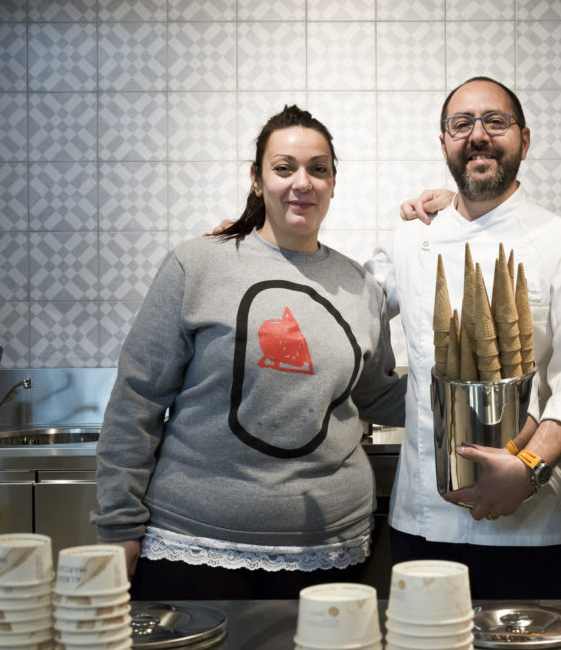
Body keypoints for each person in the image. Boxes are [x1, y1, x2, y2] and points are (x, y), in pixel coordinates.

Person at [92, 105, 406, 600]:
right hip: (193, 548)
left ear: (333, 182)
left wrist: (489, 397)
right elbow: (137, 400)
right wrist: (118, 525)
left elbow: (379, 396)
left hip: (333, 554)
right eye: (284, 168)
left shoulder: (360, 287)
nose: (302, 182)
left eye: (318, 169)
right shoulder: (196, 265)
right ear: (257, 179)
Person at [368, 76, 561, 599]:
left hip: (531, 521)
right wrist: (264, 245)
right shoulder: (413, 235)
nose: (478, 135)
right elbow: (344, 303)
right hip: (423, 521)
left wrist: (528, 468)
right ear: (444, 142)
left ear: (524, 138)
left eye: (495, 122)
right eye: (462, 124)